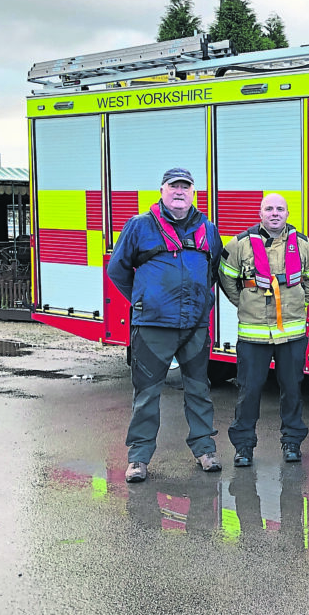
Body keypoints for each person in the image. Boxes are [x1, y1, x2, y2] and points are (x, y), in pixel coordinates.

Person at [107, 167, 224, 483]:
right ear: (161, 191)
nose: (179, 192)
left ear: (193, 193)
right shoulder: (139, 226)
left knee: (199, 390)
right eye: (173, 186)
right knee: (147, 394)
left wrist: (199, 300)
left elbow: (212, 269)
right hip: (153, 326)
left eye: (185, 187)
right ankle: (138, 459)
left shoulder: (208, 230)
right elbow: (117, 269)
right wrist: (143, 299)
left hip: (196, 326)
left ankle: (205, 450)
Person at [218, 193, 309, 466]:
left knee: (292, 389)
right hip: (253, 334)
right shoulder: (239, 245)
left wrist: (298, 303)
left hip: (292, 334)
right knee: (249, 391)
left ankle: (292, 443)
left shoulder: (305, 246)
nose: (274, 213)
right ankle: (243, 447)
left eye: (280, 209)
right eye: (269, 209)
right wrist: (244, 302)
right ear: (260, 213)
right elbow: (226, 279)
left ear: (288, 214)